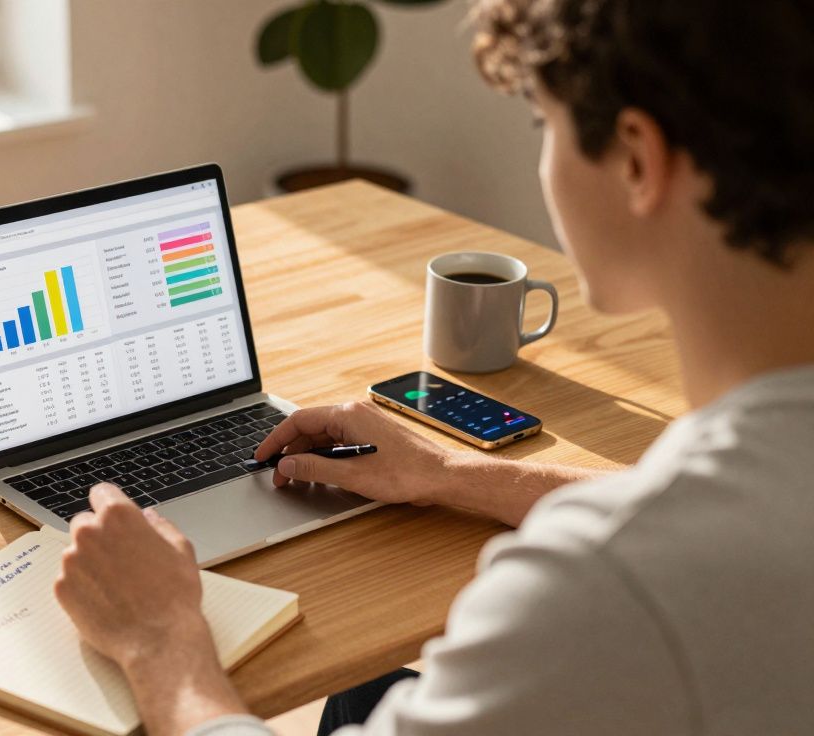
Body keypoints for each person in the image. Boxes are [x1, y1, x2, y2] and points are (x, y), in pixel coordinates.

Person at [53, 1, 814, 734]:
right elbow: (716, 508)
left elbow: (663, 542)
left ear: (639, 160)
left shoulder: (603, 589)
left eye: (540, 122)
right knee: (366, 695)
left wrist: (163, 644)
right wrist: (449, 473)